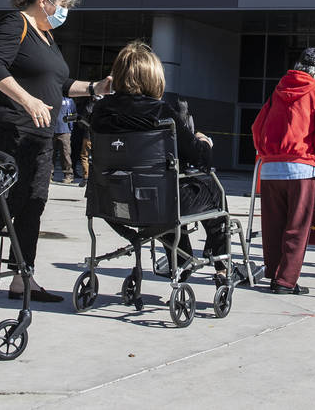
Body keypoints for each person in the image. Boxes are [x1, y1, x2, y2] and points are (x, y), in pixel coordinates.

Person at [0, 0, 113, 303]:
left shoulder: (46, 36)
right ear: (44, 1)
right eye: (63, 6)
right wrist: (28, 99)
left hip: (40, 136)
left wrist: (97, 87)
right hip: (13, 127)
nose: (64, 13)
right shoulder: (16, 24)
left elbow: (61, 84)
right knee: (7, 201)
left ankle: (22, 278)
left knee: (33, 205)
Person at [89, 42, 228, 278]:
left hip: (112, 197)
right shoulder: (160, 111)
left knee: (162, 194)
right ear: (153, 76)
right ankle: (221, 266)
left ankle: (180, 260)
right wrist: (204, 141)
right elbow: (199, 157)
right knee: (213, 191)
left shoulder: (99, 111)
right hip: (156, 199)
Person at [252, 47, 315, 295]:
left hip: (270, 168)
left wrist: (267, 151)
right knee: (297, 226)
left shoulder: (277, 91)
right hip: (301, 168)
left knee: (273, 226)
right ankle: (285, 280)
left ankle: (274, 273)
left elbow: (257, 126)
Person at [52, 95, 77, 183]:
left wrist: (70, 128)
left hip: (65, 130)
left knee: (66, 154)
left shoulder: (69, 100)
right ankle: (49, 174)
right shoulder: (52, 96)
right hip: (52, 129)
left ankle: (68, 175)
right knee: (51, 153)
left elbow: (74, 114)